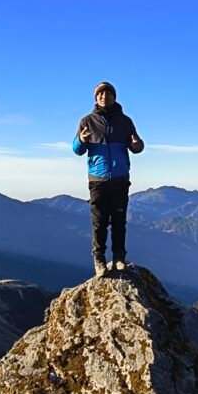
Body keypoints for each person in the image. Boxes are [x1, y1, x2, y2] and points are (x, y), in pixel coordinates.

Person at [72, 81, 144, 277]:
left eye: (108, 94)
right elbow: (77, 150)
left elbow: (136, 147)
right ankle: (100, 260)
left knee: (119, 220)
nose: (104, 97)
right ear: (96, 98)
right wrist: (82, 140)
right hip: (98, 181)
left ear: (114, 97)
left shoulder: (125, 121)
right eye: (100, 94)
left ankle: (119, 258)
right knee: (99, 222)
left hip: (120, 179)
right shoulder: (87, 121)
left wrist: (137, 143)